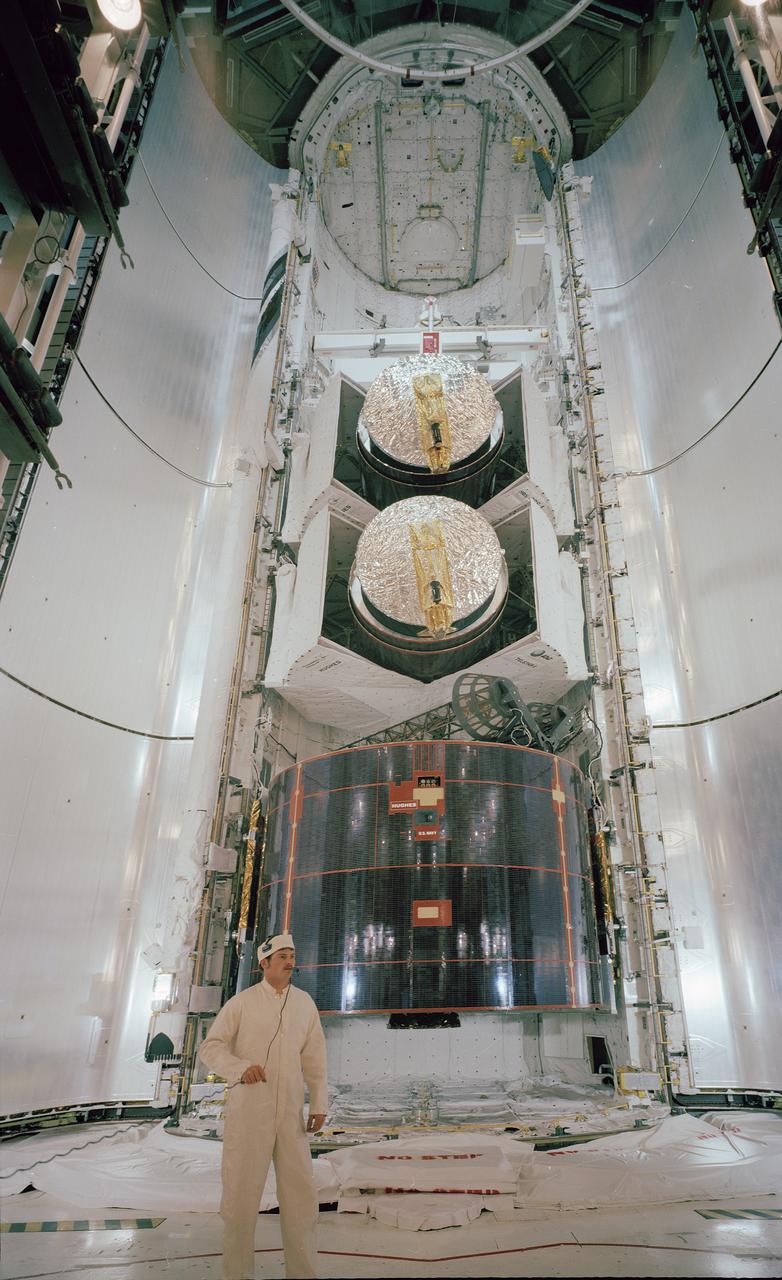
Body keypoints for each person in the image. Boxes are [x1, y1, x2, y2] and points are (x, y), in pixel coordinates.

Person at [198, 932, 328, 1280]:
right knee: (240, 1201)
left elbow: (315, 1058)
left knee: (301, 1201)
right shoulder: (241, 1003)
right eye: (282, 956)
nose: (290, 961)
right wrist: (240, 1068)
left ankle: (303, 1274)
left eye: (292, 955)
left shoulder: (304, 1004)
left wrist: (318, 1102)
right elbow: (210, 1048)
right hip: (249, 1113)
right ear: (264, 963)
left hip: (290, 1115)